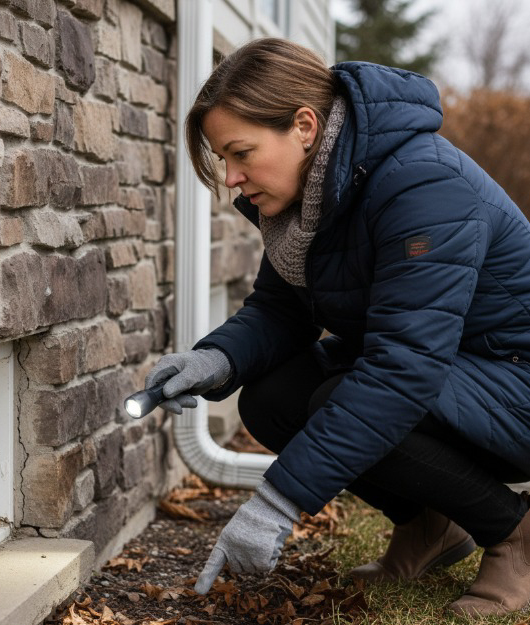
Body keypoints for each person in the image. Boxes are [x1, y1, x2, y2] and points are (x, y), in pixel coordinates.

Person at [144, 37, 530, 617]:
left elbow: (404, 369)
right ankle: (429, 526)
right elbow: (280, 311)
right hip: (454, 376)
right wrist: (211, 361)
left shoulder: (423, 184)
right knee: (272, 399)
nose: (230, 178)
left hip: (516, 385)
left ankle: (514, 534)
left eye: (241, 153)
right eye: (224, 159)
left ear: (304, 125)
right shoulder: (314, 193)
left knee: (345, 396)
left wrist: (279, 500)